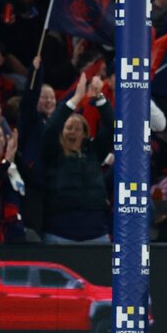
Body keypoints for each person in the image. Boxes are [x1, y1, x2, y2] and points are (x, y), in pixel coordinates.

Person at [41, 74, 114, 243]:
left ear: (85, 134)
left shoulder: (94, 153)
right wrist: (76, 99)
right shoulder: (53, 153)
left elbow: (111, 128)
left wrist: (100, 98)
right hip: (60, 233)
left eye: (77, 128)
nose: (72, 132)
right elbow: (51, 129)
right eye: (68, 128)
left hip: (96, 232)